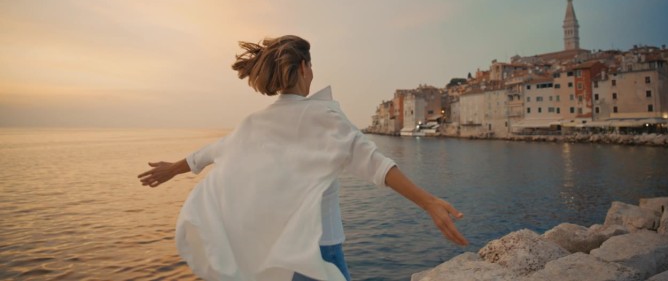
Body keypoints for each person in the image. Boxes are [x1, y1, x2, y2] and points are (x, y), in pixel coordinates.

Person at [138, 35, 468, 281]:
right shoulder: (324, 114)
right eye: (311, 67)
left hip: (277, 255)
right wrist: (427, 202)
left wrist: (173, 168)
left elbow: (211, 152)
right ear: (303, 68)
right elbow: (373, 162)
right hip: (321, 250)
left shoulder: (254, 123)